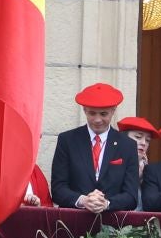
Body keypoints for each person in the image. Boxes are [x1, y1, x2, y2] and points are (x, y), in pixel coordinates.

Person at [50, 83, 139, 212]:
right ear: (85, 110)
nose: (97, 120)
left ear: (113, 111)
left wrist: (107, 203)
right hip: (72, 222)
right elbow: (58, 188)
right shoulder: (67, 140)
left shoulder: (128, 145)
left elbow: (131, 196)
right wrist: (83, 200)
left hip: (113, 225)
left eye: (103, 114)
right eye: (92, 113)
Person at [117, 116, 157, 210]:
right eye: (138, 137)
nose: (143, 143)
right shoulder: (111, 162)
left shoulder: (150, 170)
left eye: (148, 140)